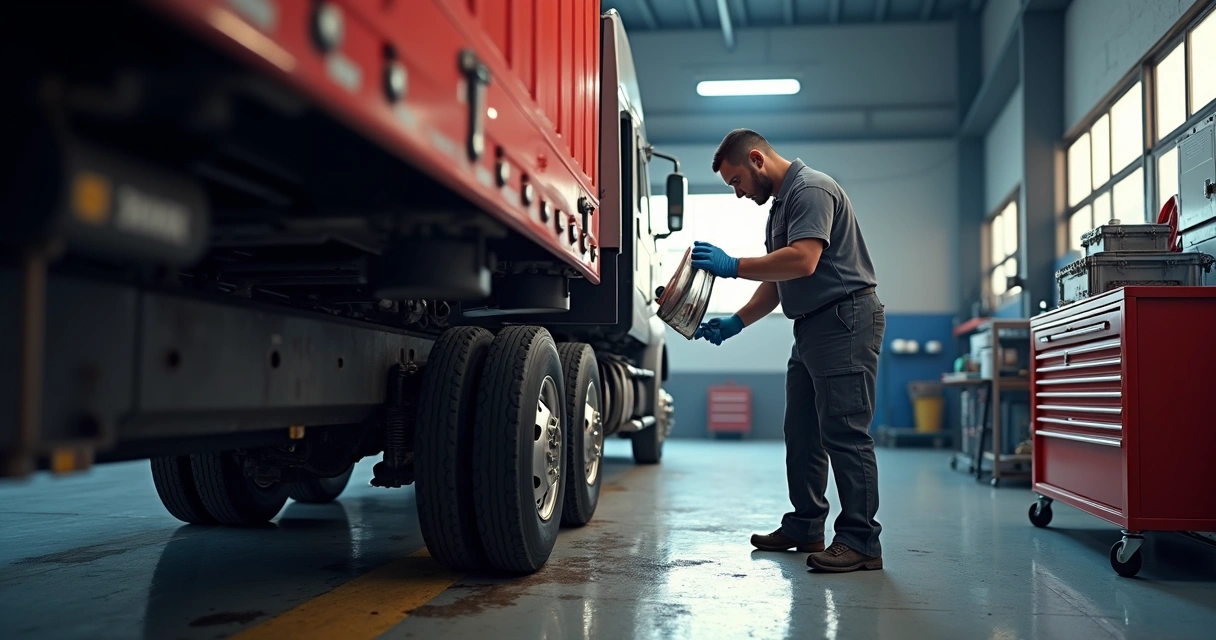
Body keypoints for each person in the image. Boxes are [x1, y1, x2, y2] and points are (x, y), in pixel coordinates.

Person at [691, 129, 885, 573]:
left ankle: (861, 541)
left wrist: (731, 266)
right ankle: (805, 525)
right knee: (801, 431)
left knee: (845, 432)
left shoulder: (810, 189)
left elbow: (803, 261)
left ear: (757, 159)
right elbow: (780, 284)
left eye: (736, 181)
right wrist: (736, 322)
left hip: (844, 320)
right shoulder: (779, 207)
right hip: (812, 327)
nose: (738, 193)